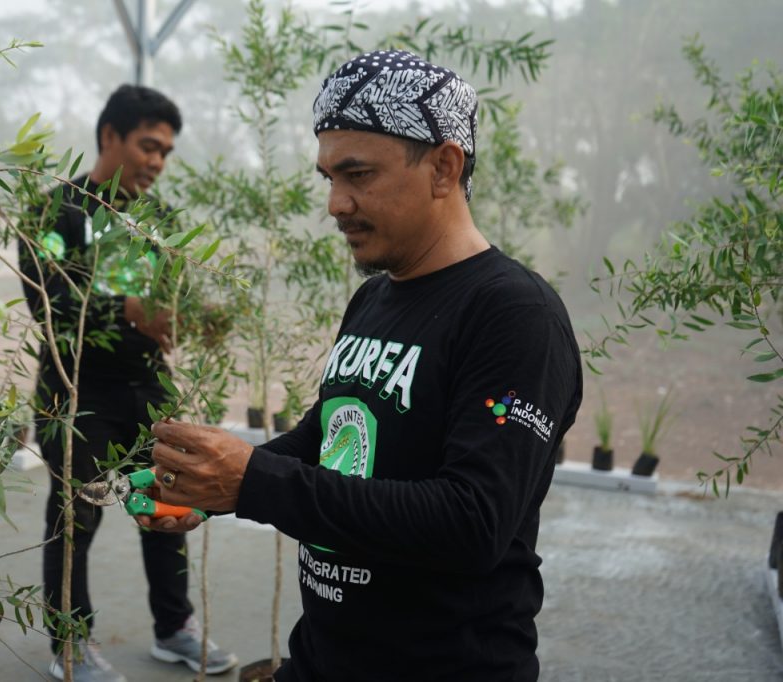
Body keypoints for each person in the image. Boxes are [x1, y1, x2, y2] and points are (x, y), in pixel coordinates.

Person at [145, 51, 584, 681]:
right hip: (324, 658)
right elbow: (325, 436)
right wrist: (208, 485)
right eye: (328, 177)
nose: (335, 204)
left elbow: (474, 522)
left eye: (357, 175)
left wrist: (254, 484)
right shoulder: (376, 296)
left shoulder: (514, 315)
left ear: (443, 166)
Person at [19, 84, 237, 682]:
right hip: (77, 393)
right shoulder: (54, 213)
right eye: (148, 146)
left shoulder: (156, 221)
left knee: (165, 505)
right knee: (74, 520)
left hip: (147, 388)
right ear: (109, 136)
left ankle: (174, 629)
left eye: (166, 152)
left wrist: (184, 314)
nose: (157, 162)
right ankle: (69, 645)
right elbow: (50, 308)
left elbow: (162, 301)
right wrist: (128, 314)